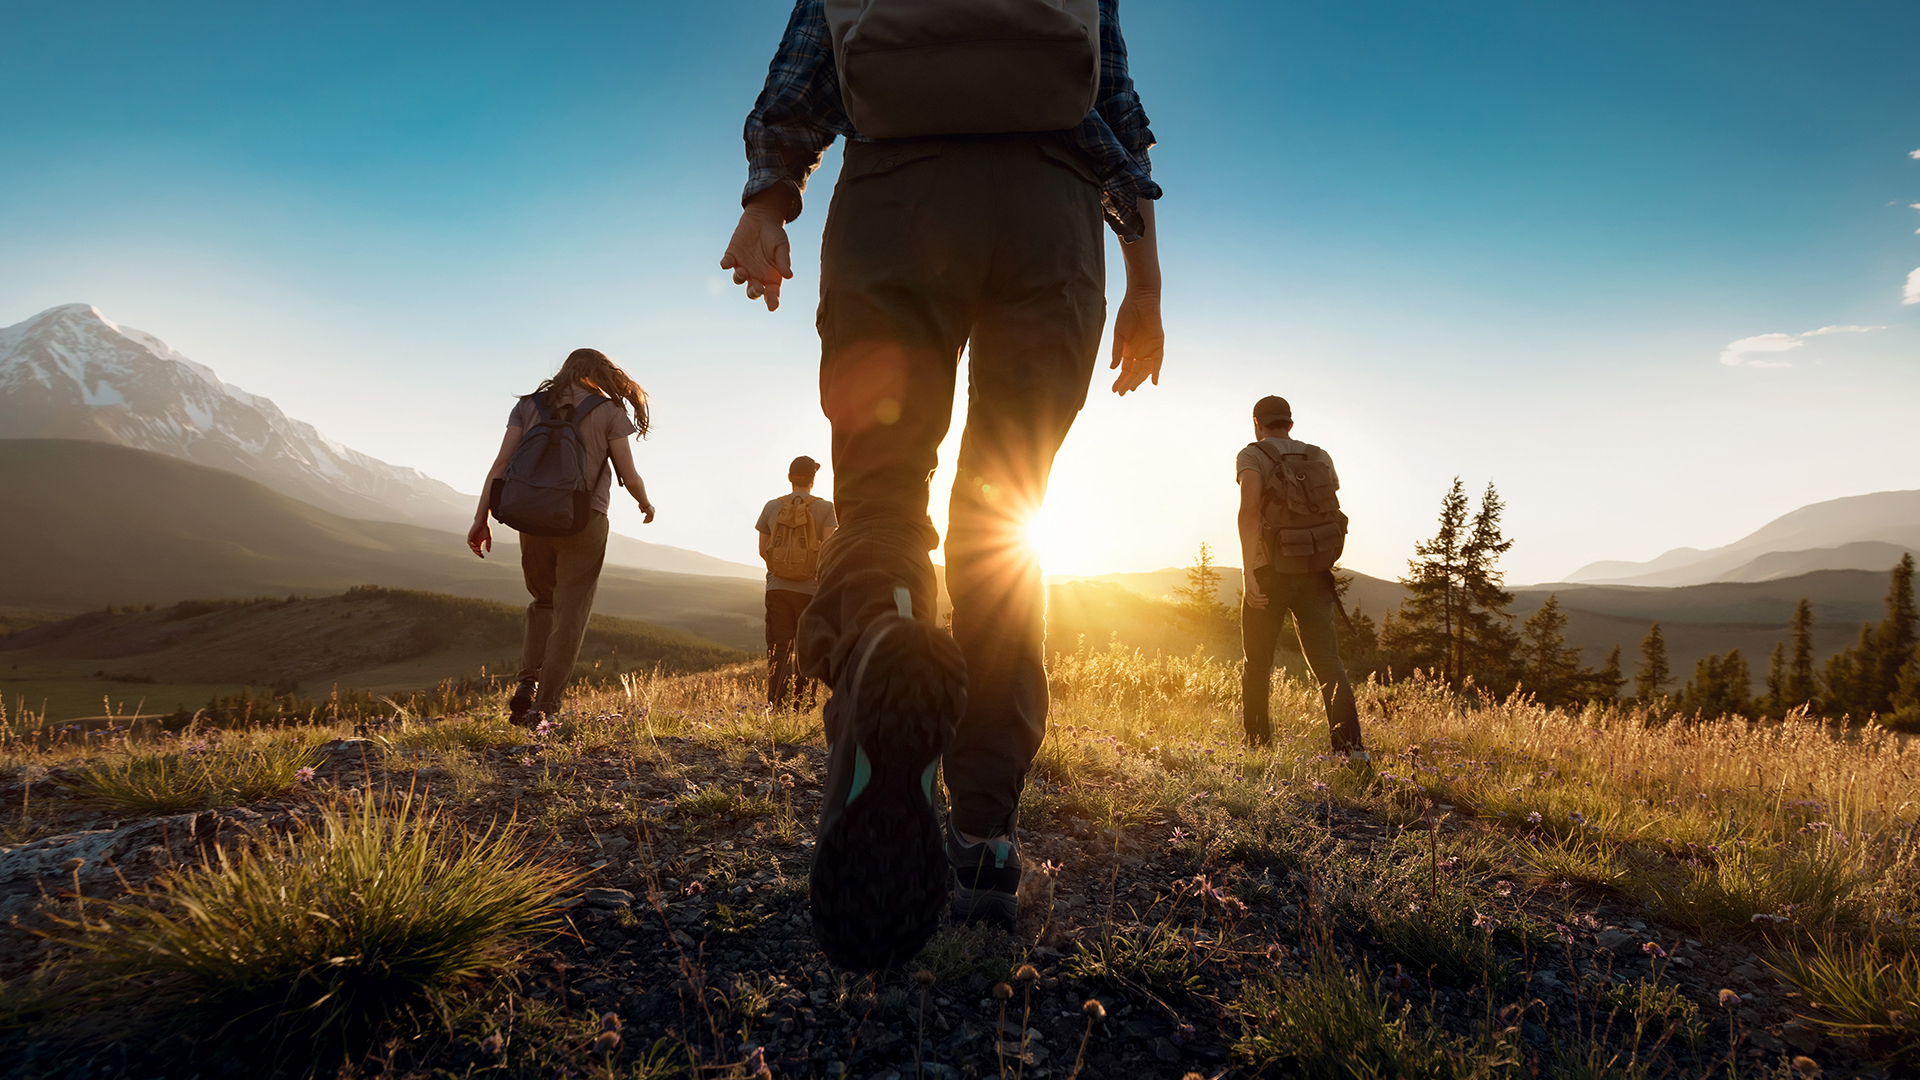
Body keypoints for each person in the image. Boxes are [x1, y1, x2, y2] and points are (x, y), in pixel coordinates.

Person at [723, 0, 1165, 970]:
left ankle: (882, 628)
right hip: (1048, 218)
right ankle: (982, 838)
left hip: (894, 194)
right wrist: (1146, 282)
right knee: (1002, 520)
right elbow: (1116, 107)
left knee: (881, 490)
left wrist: (766, 202)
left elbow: (804, 71)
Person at [467, 348, 655, 726]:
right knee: (571, 614)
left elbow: (501, 465)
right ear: (600, 372)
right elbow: (628, 475)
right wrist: (645, 503)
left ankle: (527, 682)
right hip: (583, 521)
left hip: (531, 518)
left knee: (543, 602)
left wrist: (480, 518)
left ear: (565, 370)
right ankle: (545, 708)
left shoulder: (528, 405)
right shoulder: (609, 412)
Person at [1235, 395, 1367, 761]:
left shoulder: (1252, 455)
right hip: (1314, 570)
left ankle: (1259, 750)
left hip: (1269, 570)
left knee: (1257, 664)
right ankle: (1352, 751)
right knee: (1328, 663)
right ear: (1290, 424)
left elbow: (1249, 510)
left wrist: (1249, 573)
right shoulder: (1319, 456)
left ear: (1257, 423)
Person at [757, 455, 838, 708]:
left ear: (790, 478)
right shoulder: (825, 508)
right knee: (807, 648)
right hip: (811, 590)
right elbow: (829, 551)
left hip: (777, 587)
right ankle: (802, 705)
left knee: (779, 648)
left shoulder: (772, 506)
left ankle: (777, 706)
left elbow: (763, 550)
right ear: (813, 479)